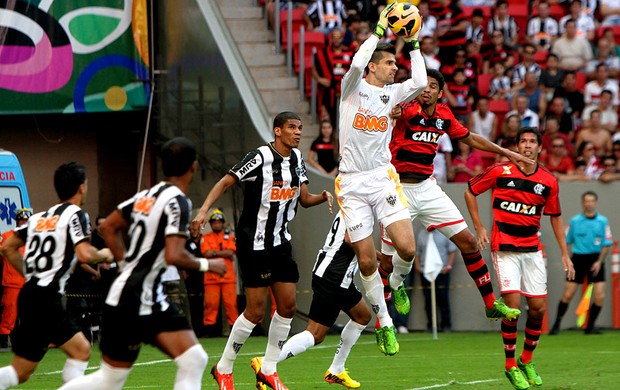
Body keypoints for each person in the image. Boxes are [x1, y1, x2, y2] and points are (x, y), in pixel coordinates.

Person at [59, 138, 227, 390]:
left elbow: (107, 226)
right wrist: (207, 265)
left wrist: (125, 263)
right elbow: (174, 255)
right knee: (194, 360)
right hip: (142, 296)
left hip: (124, 294)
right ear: (193, 167)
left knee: (110, 379)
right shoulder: (179, 201)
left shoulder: (144, 196)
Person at [191, 112, 333, 390]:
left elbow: (303, 199)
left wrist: (322, 197)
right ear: (277, 131)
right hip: (253, 243)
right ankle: (224, 367)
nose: (298, 132)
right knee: (255, 312)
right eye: (292, 127)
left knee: (289, 305)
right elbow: (225, 181)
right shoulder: (259, 157)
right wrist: (203, 213)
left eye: (300, 128)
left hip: (281, 242)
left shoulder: (297, 160)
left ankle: (268, 369)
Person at [381, 68, 529, 326]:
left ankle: (490, 303)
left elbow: (470, 138)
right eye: (423, 85)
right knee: (389, 256)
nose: (426, 90)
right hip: (396, 189)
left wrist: (507, 152)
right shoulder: (405, 108)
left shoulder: (444, 115)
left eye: (432, 86)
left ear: (440, 92)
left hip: (427, 188)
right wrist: (390, 113)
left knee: (470, 243)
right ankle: (384, 320)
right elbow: (388, 112)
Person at [334, 1, 426, 358]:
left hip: (383, 177)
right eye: (390, 63)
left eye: (396, 63)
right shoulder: (352, 88)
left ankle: (398, 281)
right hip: (352, 183)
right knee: (368, 262)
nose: (395, 67)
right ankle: (385, 322)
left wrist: (414, 41)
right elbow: (357, 62)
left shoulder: (395, 93)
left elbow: (419, 80)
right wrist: (378, 31)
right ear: (374, 66)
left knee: (407, 248)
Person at [465, 126, 575, 390]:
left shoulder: (548, 180)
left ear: (539, 148)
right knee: (512, 308)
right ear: (516, 146)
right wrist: (479, 227)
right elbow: (470, 191)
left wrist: (564, 254)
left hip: (532, 250)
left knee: (538, 309)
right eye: (523, 141)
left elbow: (556, 217)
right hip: (504, 249)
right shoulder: (500, 171)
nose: (527, 146)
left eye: (532, 142)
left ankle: (526, 360)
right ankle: (510, 365)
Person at [0, 162, 114, 389]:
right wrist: (106, 254)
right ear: (82, 188)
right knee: (81, 351)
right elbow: (84, 254)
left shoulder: (38, 218)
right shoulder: (76, 215)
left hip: (30, 294)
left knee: (21, 371)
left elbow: (7, 247)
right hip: (46, 297)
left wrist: (30, 274)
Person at [275, 213, 371, 389]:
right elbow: (351, 239)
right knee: (315, 334)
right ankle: (268, 362)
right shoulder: (358, 206)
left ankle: (336, 369)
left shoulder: (350, 203)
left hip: (334, 274)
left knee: (362, 316)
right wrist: (377, 256)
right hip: (335, 277)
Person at [550, 191, 613, 335]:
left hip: (596, 260)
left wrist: (599, 261)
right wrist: (567, 257)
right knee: (567, 294)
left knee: (599, 296)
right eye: (586, 201)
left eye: (591, 201)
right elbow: (566, 241)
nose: (589, 203)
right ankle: (556, 325)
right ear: (583, 203)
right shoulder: (575, 221)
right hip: (578, 259)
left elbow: (606, 243)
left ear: (595, 202)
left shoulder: (603, 221)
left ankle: (589, 327)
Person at [201, 209, 239, 337]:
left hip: (228, 277)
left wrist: (215, 253)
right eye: (214, 222)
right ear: (211, 224)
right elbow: (205, 254)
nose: (216, 224)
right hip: (211, 278)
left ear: (222, 223)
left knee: (231, 305)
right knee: (211, 305)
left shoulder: (230, 237)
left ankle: (234, 330)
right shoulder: (205, 238)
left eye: (219, 222)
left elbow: (231, 252)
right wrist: (223, 253)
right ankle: (210, 331)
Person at [415, 228, 457, 332]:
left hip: (442, 272)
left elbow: (452, 250)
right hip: (426, 271)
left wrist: (449, 266)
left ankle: (446, 325)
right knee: (428, 300)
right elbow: (417, 252)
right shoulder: (421, 234)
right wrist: (418, 267)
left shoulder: (444, 232)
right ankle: (431, 325)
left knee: (443, 299)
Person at [0, 209, 30, 352]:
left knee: (29, 312)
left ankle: (25, 338)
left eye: (26, 220)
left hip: (29, 282)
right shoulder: (7, 236)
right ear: (17, 221)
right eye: (21, 220)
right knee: (10, 312)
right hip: (12, 281)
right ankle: (4, 339)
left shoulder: (33, 238)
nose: (23, 222)